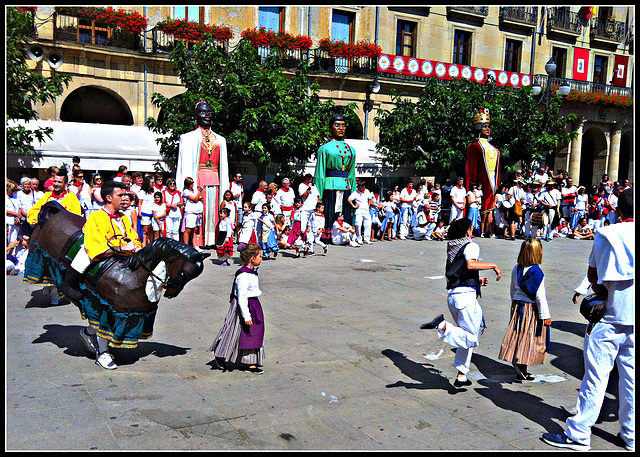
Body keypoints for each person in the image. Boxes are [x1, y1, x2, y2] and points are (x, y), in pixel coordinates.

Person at [542, 188, 634, 452]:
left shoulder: (607, 233)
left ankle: (579, 433)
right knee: (631, 381)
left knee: (596, 377)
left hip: (609, 316)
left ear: (618, 210)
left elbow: (594, 274)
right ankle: (631, 435)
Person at [66, 182, 142, 369]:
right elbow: (96, 249)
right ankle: (102, 352)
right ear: (109, 198)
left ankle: (91, 332)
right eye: (120, 195)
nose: (125, 198)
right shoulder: (96, 217)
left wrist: (137, 248)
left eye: (125, 195)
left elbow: (133, 238)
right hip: (99, 261)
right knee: (104, 307)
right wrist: (121, 247)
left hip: (120, 261)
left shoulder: (123, 217)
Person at [420, 217, 502, 388]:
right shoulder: (470, 245)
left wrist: (477, 282)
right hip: (465, 298)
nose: (473, 231)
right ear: (467, 231)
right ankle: (443, 326)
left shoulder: (453, 248)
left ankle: (461, 375)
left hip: (456, 296)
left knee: (469, 333)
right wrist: (493, 265)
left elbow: (453, 278)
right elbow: (471, 264)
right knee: (470, 337)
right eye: (471, 228)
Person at [176, 101, 229, 246]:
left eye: (209, 112)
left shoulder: (220, 140)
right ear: (196, 116)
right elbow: (183, 165)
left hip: (215, 180)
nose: (207, 115)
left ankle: (212, 239)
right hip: (198, 179)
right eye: (203, 112)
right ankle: (196, 241)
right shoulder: (188, 138)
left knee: (212, 211)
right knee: (198, 213)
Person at [498, 238, 552, 381]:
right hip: (530, 308)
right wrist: (545, 316)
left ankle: (517, 363)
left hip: (517, 304)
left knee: (517, 334)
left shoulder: (517, 268)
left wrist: (514, 304)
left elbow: (512, 288)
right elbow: (540, 296)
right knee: (529, 337)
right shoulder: (537, 272)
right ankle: (522, 367)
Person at [209, 243, 266, 374]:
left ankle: (250, 362)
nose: (261, 259)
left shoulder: (250, 273)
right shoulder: (243, 276)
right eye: (260, 256)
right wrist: (246, 316)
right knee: (233, 331)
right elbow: (241, 297)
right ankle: (221, 354)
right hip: (243, 307)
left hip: (253, 305)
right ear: (252, 258)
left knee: (254, 333)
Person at [315, 115, 357, 233]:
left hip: (345, 185)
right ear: (331, 128)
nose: (341, 128)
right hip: (330, 185)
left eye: (343, 125)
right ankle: (328, 233)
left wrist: (354, 193)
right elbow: (320, 173)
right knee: (331, 210)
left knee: (344, 211)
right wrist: (318, 194)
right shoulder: (324, 149)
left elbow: (352, 173)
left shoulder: (351, 150)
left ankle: (346, 234)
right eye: (337, 125)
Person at [465, 108, 501, 226]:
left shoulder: (492, 147)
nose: (488, 129)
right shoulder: (474, 146)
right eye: (485, 126)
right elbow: (471, 168)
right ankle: (481, 227)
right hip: (482, 181)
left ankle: (489, 228)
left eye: (488, 127)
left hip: (493, 181)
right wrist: (473, 185)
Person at [348, 178, 374, 245]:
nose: (360, 189)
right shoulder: (355, 192)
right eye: (359, 187)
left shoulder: (367, 191)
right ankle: (359, 238)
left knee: (368, 224)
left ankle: (366, 239)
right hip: (359, 210)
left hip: (366, 210)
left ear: (364, 186)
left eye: (361, 188)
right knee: (358, 225)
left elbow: (370, 199)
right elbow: (349, 199)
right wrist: (354, 206)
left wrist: (368, 206)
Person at [182, 177, 205, 250]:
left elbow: (199, 197)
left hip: (196, 213)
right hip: (190, 213)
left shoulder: (194, 191)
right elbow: (195, 199)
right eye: (191, 183)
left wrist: (198, 196)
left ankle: (195, 246)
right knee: (188, 230)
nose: (192, 185)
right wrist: (200, 191)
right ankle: (186, 246)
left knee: (195, 229)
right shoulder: (186, 191)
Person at [298, 173, 320, 239]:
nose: (310, 181)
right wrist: (308, 189)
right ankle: (302, 239)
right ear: (305, 179)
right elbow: (304, 196)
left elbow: (317, 196)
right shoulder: (301, 185)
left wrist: (318, 206)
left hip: (313, 209)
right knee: (303, 226)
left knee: (312, 225)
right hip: (305, 209)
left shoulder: (314, 186)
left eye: (311, 179)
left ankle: (310, 240)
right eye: (308, 179)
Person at [137, 177, 156, 247]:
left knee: (151, 231)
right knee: (145, 231)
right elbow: (140, 203)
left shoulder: (153, 192)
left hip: (152, 213)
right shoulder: (142, 192)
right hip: (145, 213)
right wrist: (139, 212)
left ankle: (150, 246)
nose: (154, 184)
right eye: (152, 182)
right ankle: (144, 246)